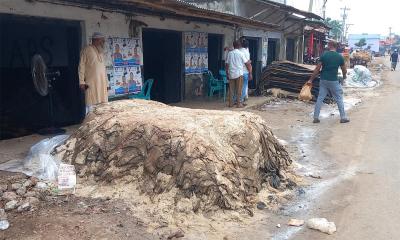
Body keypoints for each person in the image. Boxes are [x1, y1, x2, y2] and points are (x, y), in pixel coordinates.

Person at [307, 41, 350, 124]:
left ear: (330, 45)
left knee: (320, 98)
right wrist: (344, 77)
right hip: (333, 80)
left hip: (323, 80)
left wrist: (311, 80)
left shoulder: (324, 55)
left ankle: (316, 117)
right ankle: (343, 117)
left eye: (328, 45)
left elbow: (317, 69)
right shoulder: (339, 57)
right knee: (339, 98)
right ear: (336, 46)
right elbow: (344, 69)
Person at [78, 32, 108, 114]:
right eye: (102, 41)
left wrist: (107, 84)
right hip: (91, 84)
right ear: (97, 40)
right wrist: (81, 82)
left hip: (102, 84)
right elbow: (81, 66)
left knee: (103, 107)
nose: (103, 43)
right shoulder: (86, 49)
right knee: (91, 107)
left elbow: (103, 69)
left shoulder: (101, 52)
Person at [225, 40, 252, 108]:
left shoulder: (230, 53)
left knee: (231, 90)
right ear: (239, 46)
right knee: (239, 89)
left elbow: (227, 64)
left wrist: (227, 73)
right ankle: (238, 104)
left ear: (234, 46)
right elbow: (247, 63)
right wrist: (250, 72)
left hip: (231, 73)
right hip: (239, 74)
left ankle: (231, 104)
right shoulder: (241, 53)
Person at [239, 37, 252, 104]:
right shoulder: (246, 52)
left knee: (237, 87)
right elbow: (248, 64)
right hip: (245, 72)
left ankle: (236, 99)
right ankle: (241, 100)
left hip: (238, 72)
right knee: (244, 86)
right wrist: (250, 73)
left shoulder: (238, 51)